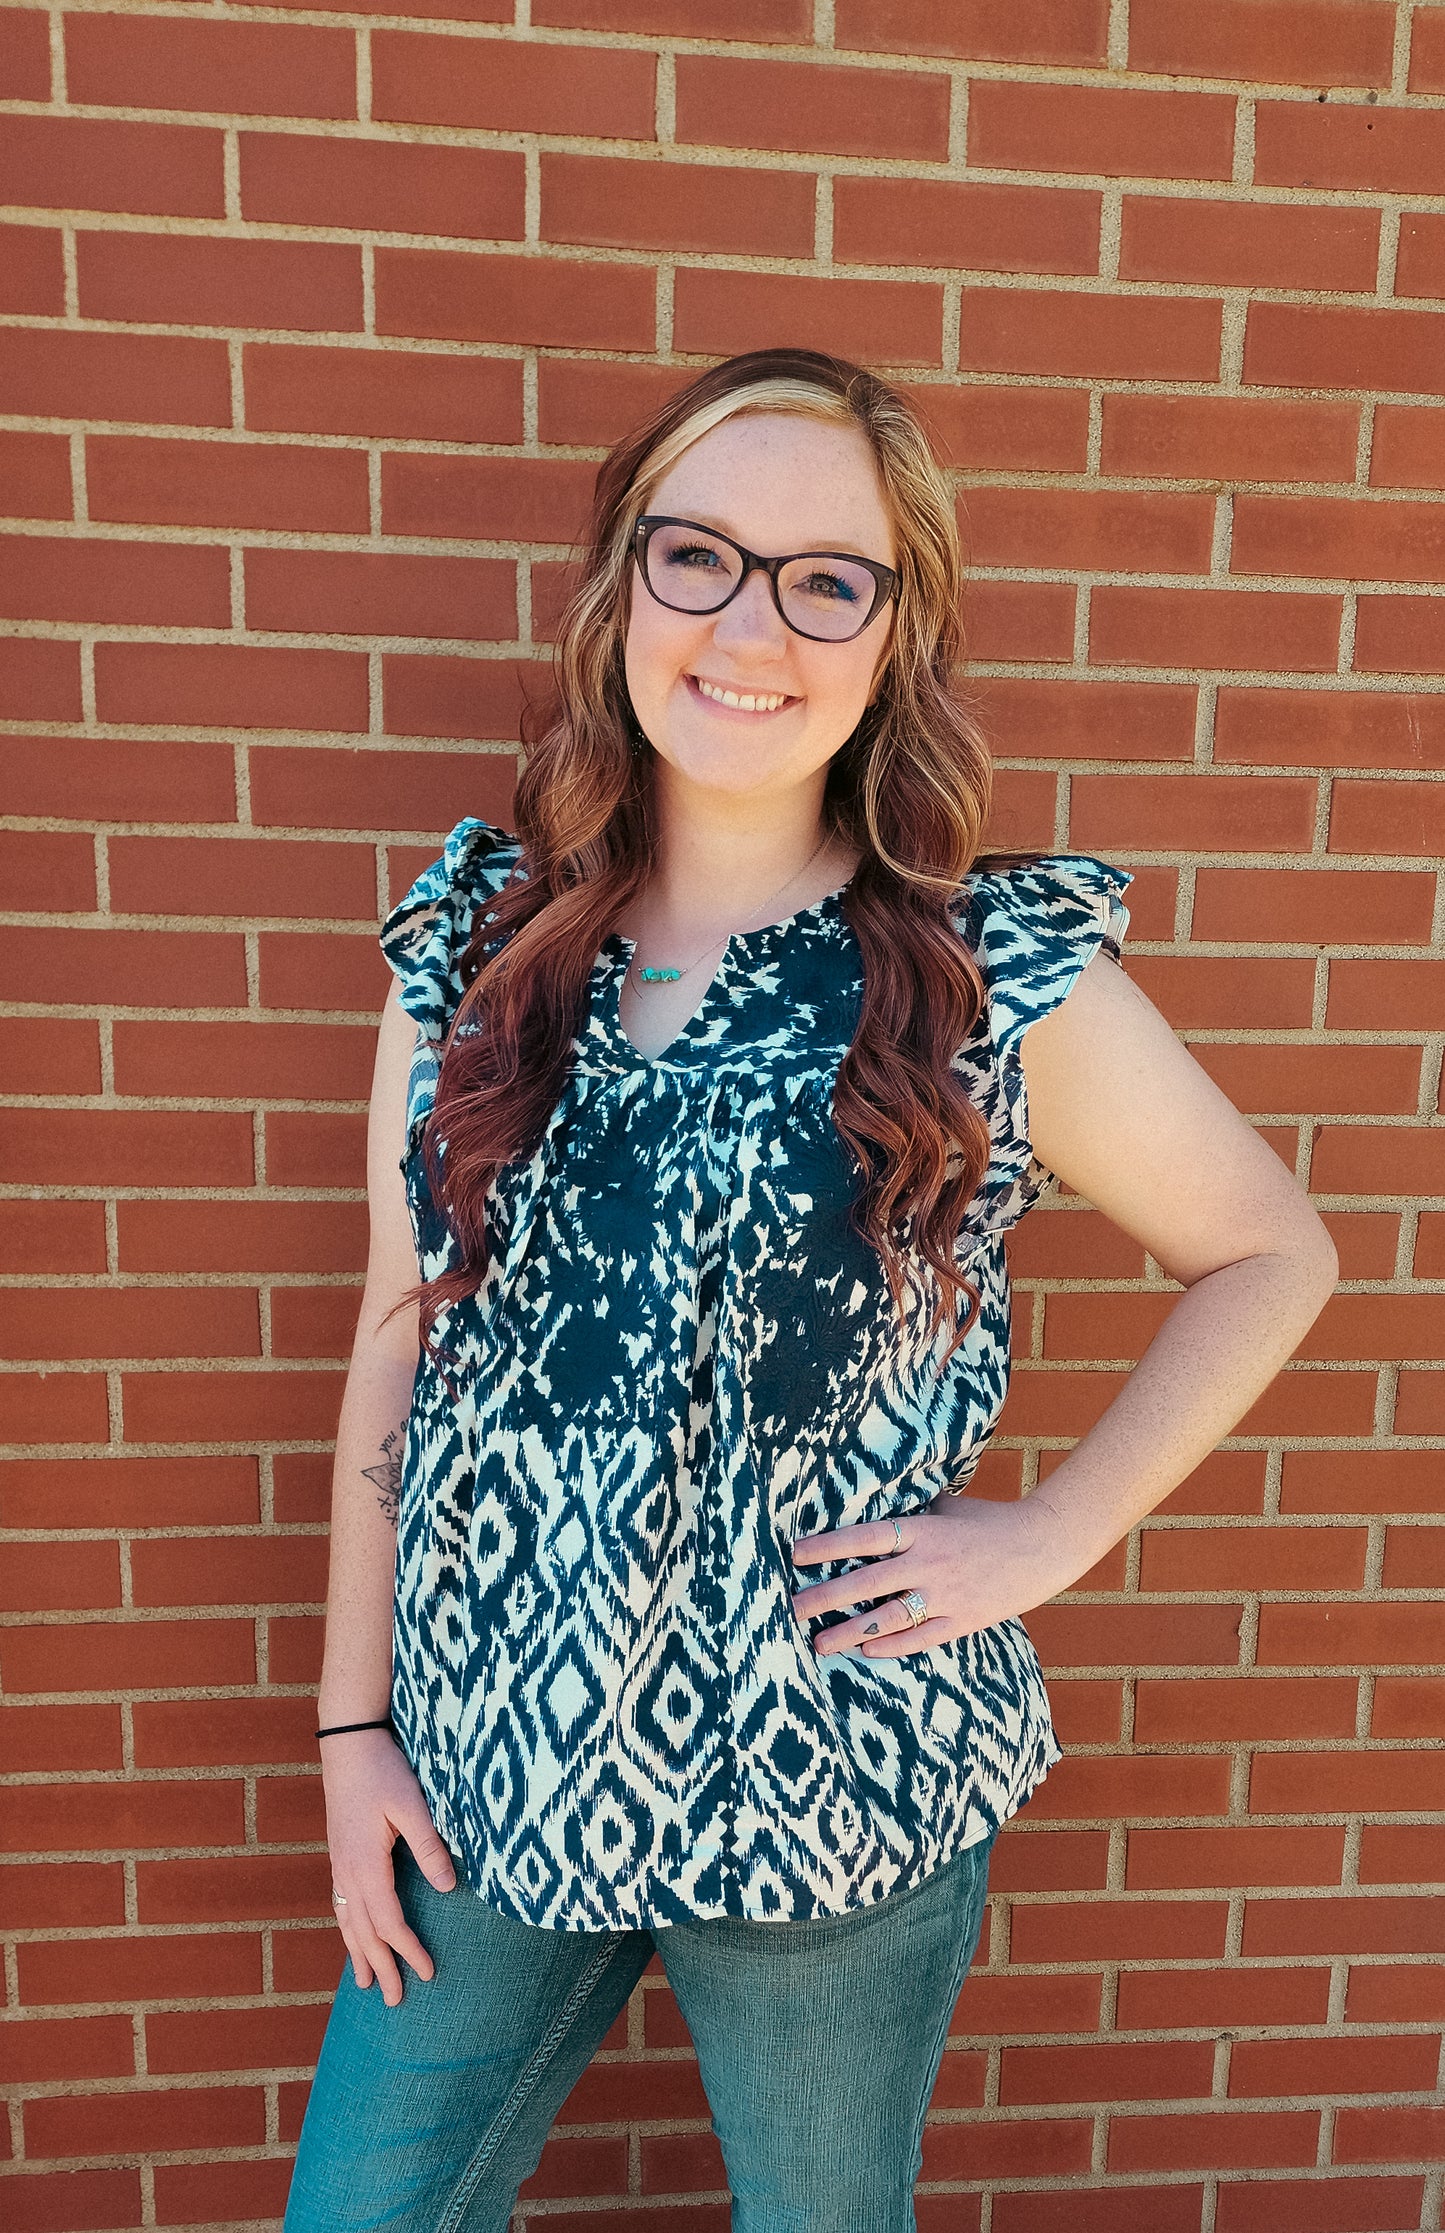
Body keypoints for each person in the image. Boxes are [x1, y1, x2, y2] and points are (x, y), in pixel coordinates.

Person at [283, 347, 1337, 2232]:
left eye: (824, 577)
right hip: (486, 1758)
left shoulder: (983, 972)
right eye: (699, 556)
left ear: (891, 632)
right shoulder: (474, 939)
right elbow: (398, 1326)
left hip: (838, 1773)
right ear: (624, 589)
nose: (751, 624)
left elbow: (1270, 1247)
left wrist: (1052, 1535)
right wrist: (351, 1728)